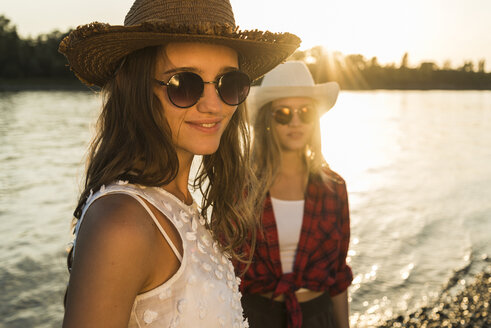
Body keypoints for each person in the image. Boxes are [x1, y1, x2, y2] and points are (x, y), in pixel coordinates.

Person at [59, 0, 300, 327]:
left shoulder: (179, 204)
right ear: (137, 89)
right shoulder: (122, 222)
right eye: (183, 84)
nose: (214, 106)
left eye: (229, 83)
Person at [235, 61, 353, 328]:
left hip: (318, 317)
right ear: (267, 120)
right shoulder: (243, 187)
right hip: (256, 317)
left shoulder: (334, 189)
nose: (296, 122)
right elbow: (227, 272)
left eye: (305, 112)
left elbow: (338, 276)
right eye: (284, 113)